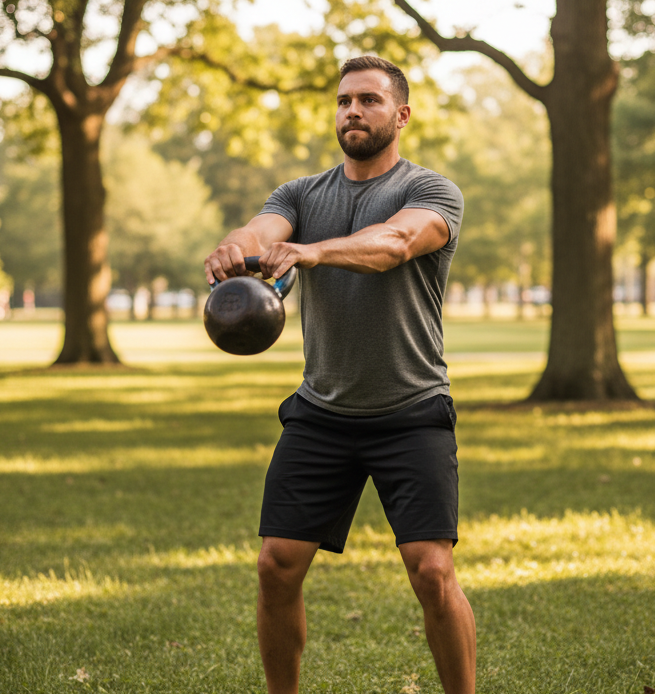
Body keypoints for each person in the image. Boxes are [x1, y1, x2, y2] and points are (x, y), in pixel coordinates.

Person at [203, 55, 474, 694]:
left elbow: (395, 245)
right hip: (322, 412)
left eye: (370, 100)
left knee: (432, 572)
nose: (353, 110)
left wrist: (310, 252)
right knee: (276, 565)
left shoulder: (431, 192)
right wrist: (235, 248)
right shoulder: (302, 194)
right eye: (344, 100)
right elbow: (263, 228)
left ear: (401, 115)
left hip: (411, 409)